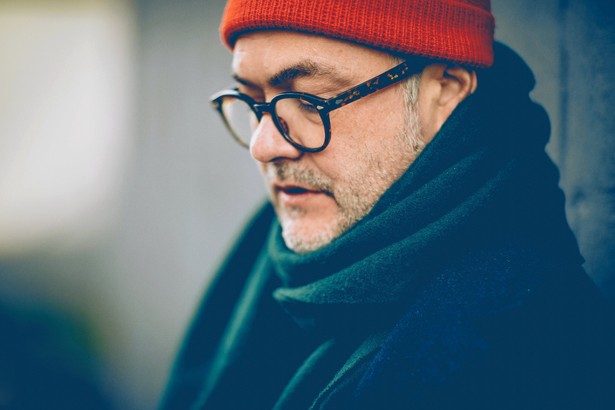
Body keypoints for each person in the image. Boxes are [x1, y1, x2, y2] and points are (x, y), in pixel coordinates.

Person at [161, 1, 615, 409]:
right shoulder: (272, 238)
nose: (263, 147)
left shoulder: (528, 345)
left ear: (446, 89)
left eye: (309, 101)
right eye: (252, 101)